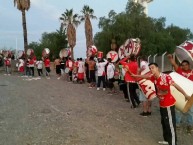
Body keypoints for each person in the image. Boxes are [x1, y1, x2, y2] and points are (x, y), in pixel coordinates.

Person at [133, 62, 190, 145]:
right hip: (162, 103)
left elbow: (175, 85)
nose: (151, 69)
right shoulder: (154, 77)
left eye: (153, 67)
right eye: (150, 68)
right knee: (164, 122)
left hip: (168, 104)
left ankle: (173, 143)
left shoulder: (165, 77)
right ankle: (167, 140)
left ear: (157, 68)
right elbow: (146, 77)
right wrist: (137, 76)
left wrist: (185, 94)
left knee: (170, 124)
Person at [168, 54, 193, 133]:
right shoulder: (179, 71)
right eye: (183, 65)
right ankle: (177, 125)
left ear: (189, 65)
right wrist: (171, 58)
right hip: (180, 93)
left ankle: (190, 126)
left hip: (191, 94)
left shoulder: (192, 72)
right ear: (181, 66)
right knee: (178, 110)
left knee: (191, 111)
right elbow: (174, 64)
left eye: (186, 65)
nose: (185, 66)